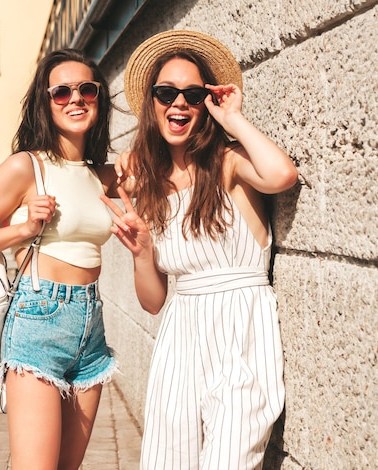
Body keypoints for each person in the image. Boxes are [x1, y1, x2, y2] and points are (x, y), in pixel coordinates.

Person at [101, 30, 299, 469]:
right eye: (166, 92)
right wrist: (140, 251)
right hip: (179, 337)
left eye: (192, 94)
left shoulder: (226, 162)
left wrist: (234, 119)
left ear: (206, 102)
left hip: (241, 330)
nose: (179, 103)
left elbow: (283, 174)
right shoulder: (147, 185)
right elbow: (153, 303)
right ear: (151, 103)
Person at [0, 48, 121, 470]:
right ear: (45, 103)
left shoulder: (104, 175)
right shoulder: (25, 167)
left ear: (99, 99)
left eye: (87, 89)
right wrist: (24, 229)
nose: (75, 99)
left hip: (91, 327)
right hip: (37, 320)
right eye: (61, 92)